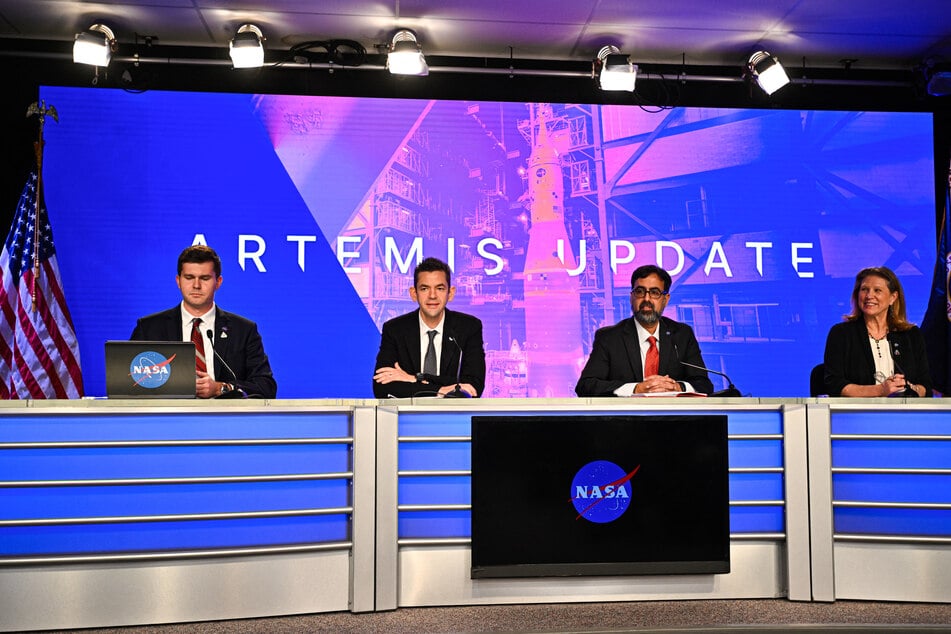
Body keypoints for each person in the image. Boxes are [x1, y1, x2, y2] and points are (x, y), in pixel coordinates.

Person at [131, 245, 277, 399]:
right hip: (168, 413)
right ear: (178, 281)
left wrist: (221, 388)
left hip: (223, 413)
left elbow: (266, 386)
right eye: (189, 277)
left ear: (218, 282)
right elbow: (129, 383)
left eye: (204, 278)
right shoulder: (149, 328)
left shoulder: (243, 330)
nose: (196, 285)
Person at [575, 264, 714, 397]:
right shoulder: (609, 337)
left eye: (655, 293)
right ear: (631, 297)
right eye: (640, 292)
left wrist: (678, 387)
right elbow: (586, 386)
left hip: (672, 413)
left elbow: (704, 384)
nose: (646, 299)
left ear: (665, 299)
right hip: (626, 414)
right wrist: (635, 389)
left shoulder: (682, 334)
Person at [373, 257, 486, 398]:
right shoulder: (395, 329)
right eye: (424, 288)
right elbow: (381, 388)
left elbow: (473, 387)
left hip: (453, 412)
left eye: (440, 288)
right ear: (414, 293)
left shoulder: (468, 327)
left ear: (450, 293)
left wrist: (414, 378)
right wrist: (440, 389)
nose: (432, 296)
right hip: (408, 412)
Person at [823, 266, 931, 397]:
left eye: (877, 290)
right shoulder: (841, 334)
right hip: (857, 409)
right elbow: (834, 384)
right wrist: (880, 390)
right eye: (864, 289)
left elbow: (925, 386)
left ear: (892, 297)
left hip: (904, 409)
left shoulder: (911, 335)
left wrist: (910, 388)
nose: (869, 296)